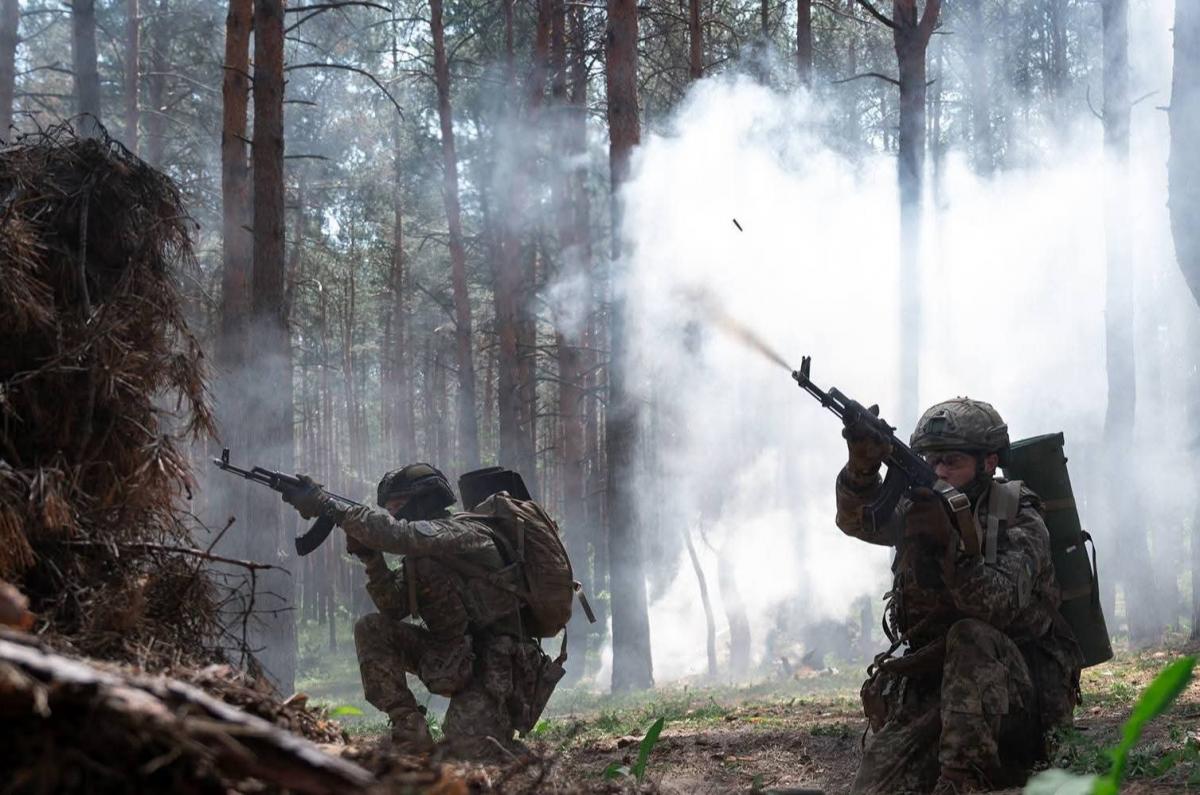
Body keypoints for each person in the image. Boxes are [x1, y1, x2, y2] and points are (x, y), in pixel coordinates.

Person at [836, 398, 1082, 794]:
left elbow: (996, 607)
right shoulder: (918, 508)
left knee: (970, 635)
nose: (939, 472)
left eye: (952, 462)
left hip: (1017, 704)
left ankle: (963, 783)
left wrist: (950, 547)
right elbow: (856, 520)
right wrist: (860, 468)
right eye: (931, 461)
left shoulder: (1018, 517)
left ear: (988, 463)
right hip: (940, 696)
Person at [281, 463, 548, 752]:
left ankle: (496, 725)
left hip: (497, 664)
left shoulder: (463, 532)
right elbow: (393, 607)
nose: (393, 513)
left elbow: (399, 535)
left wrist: (327, 504)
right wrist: (372, 559)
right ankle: (408, 725)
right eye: (389, 508)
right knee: (372, 629)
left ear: (425, 498)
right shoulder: (423, 555)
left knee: (471, 749)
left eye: (398, 504)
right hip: (452, 654)